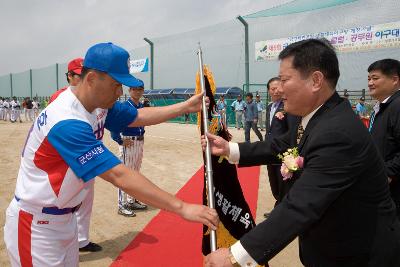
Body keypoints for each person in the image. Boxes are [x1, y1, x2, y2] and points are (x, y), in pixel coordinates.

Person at [4, 42, 218, 267]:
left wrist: (184, 107)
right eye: (116, 85)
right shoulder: (66, 120)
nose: (120, 93)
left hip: (64, 221)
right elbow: (119, 175)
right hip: (36, 227)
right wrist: (182, 207)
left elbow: (137, 116)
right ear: (92, 79)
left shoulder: (97, 103)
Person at [203, 39, 400, 267]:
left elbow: (300, 205)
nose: (278, 87)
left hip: (359, 253)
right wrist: (230, 149)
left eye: (285, 80)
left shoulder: (338, 133)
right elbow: (282, 145)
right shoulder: (310, 115)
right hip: (328, 245)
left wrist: (233, 257)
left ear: (316, 80)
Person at [368, 58, 400, 221]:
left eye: (375, 78)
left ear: (394, 80)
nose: (370, 83)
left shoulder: (397, 106)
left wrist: (389, 172)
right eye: (369, 79)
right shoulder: (380, 108)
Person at [111, 81, 149, 217]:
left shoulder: (141, 105)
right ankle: (121, 205)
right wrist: (120, 140)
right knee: (125, 174)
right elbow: (114, 125)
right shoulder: (124, 106)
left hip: (139, 142)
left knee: (135, 174)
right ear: (129, 90)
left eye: (140, 89)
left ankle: (131, 200)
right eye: (135, 89)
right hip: (129, 142)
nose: (138, 92)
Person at [263, 77, 299, 218]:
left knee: (283, 182)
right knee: (274, 183)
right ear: (269, 91)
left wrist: (291, 155)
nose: (276, 91)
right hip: (269, 152)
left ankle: (281, 212)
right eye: (273, 89)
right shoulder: (269, 108)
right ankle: (279, 206)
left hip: (282, 154)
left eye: (279, 87)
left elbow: (292, 131)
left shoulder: (288, 108)